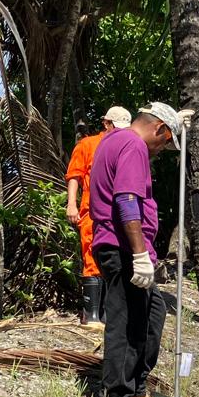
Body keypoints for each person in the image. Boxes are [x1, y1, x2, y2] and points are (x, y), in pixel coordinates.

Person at [89, 101, 180, 397]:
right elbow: (127, 199)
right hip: (122, 247)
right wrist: (140, 254)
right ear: (158, 128)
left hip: (122, 246)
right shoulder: (133, 145)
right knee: (125, 324)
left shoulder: (115, 141)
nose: (162, 150)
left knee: (152, 311)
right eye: (166, 142)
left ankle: (136, 389)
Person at [66, 106, 132, 329]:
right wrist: (71, 204)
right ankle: (91, 314)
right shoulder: (87, 144)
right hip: (90, 211)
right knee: (91, 256)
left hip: (117, 214)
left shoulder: (125, 146)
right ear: (106, 123)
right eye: (115, 126)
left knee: (113, 261)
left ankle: (106, 314)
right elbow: (74, 175)